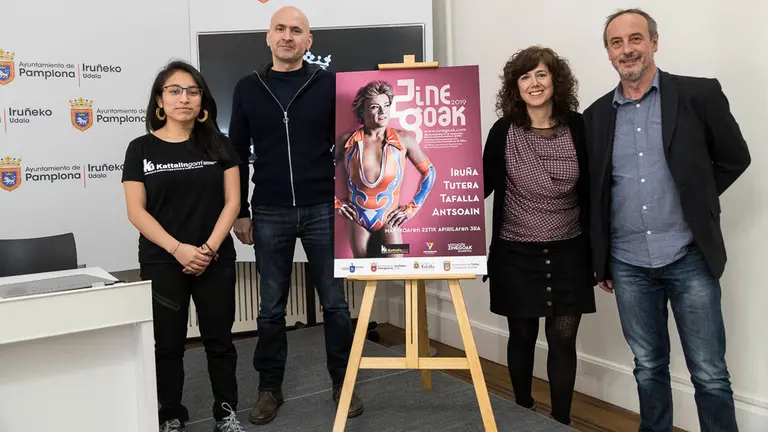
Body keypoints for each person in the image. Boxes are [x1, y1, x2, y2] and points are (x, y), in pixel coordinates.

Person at [583, 8, 750, 432]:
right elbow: (595, 192)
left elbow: (735, 158)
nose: (627, 50)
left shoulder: (698, 95)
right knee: (647, 366)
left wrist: (696, 198)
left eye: (635, 39)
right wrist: (601, 260)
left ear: (654, 42)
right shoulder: (596, 116)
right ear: (608, 53)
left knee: (709, 373)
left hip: (689, 255)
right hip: (628, 262)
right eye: (617, 43)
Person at [228, 6, 364, 425]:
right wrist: (241, 211)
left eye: (296, 30)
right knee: (270, 308)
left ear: (309, 41)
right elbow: (237, 154)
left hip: (323, 207)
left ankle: (343, 382)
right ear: (268, 37)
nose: (287, 36)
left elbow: (352, 144)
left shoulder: (329, 85)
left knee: (335, 304)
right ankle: (270, 388)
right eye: (280, 29)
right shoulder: (247, 88)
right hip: (269, 209)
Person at [121, 60, 244, 432]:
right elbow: (135, 211)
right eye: (174, 91)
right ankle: (171, 414)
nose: (184, 98)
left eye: (192, 91)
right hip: (162, 262)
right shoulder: (140, 148)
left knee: (220, 341)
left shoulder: (220, 145)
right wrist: (178, 249)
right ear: (160, 100)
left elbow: (233, 203)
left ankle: (226, 413)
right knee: (167, 344)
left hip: (214, 260)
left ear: (202, 100)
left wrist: (206, 250)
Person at [482, 46, 596, 426]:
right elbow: (478, 186)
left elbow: (596, 188)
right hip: (515, 253)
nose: (534, 83)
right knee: (522, 336)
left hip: (570, 251)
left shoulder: (579, 127)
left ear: (555, 80)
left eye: (541, 74)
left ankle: (561, 421)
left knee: (563, 339)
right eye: (525, 76)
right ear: (516, 86)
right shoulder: (503, 131)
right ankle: (523, 410)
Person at [335, 80, 436, 258]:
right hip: (357, 218)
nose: (383, 112)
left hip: (390, 219)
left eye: (386, 105)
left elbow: (429, 171)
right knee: (362, 269)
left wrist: (412, 208)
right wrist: (335, 203)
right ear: (362, 111)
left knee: (396, 265)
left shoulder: (404, 139)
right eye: (375, 107)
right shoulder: (346, 140)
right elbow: (319, 172)